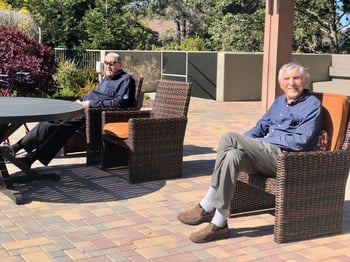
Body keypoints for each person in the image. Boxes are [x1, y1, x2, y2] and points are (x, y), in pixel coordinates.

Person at [177, 62, 323, 243]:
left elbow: (300, 142)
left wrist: (255, 142)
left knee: (228, 137)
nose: (292, 83)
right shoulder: (279, 102)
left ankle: (207, 203)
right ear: (281, 83)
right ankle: (219, 222)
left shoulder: (312, 105)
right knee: (233, 155)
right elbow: (260, 127)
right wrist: (244, 144)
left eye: (296, 78)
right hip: (266, 155)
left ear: (305, 80)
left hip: (287, 159)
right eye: (287, 79)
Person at [7, 52, 135, 168]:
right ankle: (18, 146)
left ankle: (32, 158)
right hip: (85, 107)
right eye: (106, 63)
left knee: (64, 126)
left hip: (97, 113)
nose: (108, 66)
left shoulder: (126, 80)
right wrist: (81, 102)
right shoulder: (106, 78)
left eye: (112, 63)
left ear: (120, 65)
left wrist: (90, 104)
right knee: (53, 118)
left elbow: (118, 103)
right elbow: (95, 94)